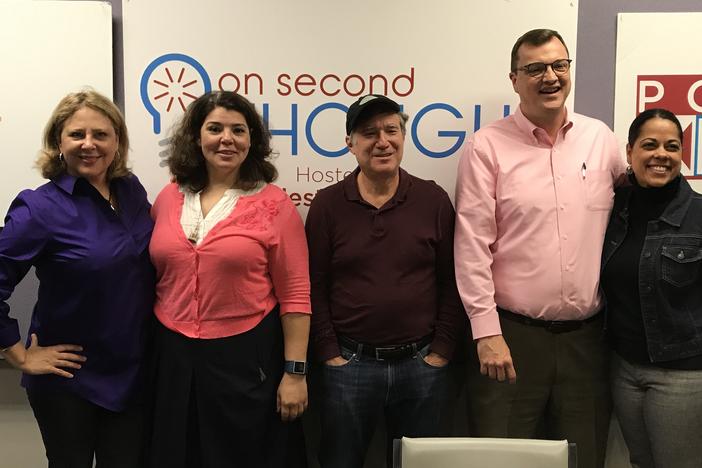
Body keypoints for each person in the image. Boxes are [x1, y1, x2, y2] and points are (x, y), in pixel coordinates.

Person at [454, 29, 626, 468]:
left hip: (588, 340)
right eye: (534, 69)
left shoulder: (600, 139)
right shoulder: (485, 146)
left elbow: (635, 214)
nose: (549, 76)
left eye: (558, 65)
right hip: (511, 340)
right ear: (514, 80)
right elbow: (472, 244)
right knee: (504, 458)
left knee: (583, 455)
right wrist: (486, 331)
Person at [148, 90, 311, 468]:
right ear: (196, 136)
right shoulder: (169, 198)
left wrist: (295, 373)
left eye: (238, 130)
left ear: (252, 140)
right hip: (172, 355)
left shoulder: (274, 203)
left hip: (245, 358)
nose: (227, 139)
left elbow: (296, 295)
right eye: (215, 128)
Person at [306, 94, 465, 468]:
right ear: (350, 144)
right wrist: (330, 352)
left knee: (419, 465)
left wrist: (440, 350)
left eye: (391, 130)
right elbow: (314, 284)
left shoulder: (433, 200)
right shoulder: (328, 204)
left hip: (421, 364)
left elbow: (453, 279)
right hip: (350, 364)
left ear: (403, 137)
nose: (382, 141)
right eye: (368, 133)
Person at [0, 90, 155, 468]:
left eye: (101, 134)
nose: (89, 144)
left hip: (136, 374)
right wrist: (17, 353)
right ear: (58, 142)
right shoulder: (38, 207)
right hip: (71, 381)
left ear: (117, 141)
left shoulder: (131, 192)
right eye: (77, 135)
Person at [600, 108, 702, 468]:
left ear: (682, 155)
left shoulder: (699, 214)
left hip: (683, 376)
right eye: (650, 145)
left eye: (672, 146)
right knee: (640, 463)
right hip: (623, 368)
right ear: (630, 153)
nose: (661, 154)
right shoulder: (614, 209)